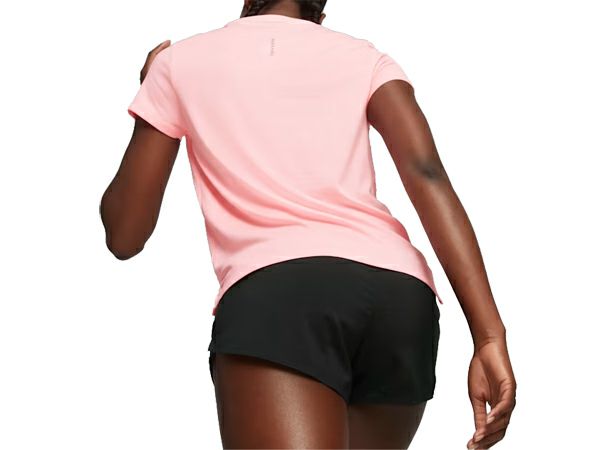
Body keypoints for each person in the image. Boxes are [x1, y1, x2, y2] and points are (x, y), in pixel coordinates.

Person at [100, 0, 517, 448]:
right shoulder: (365, 57)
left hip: (281, 297)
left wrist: (151, 94)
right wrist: (488, 336)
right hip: (400, 300)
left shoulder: (178, 63)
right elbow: (426, 172)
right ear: (320, 12)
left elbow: (125, 234)